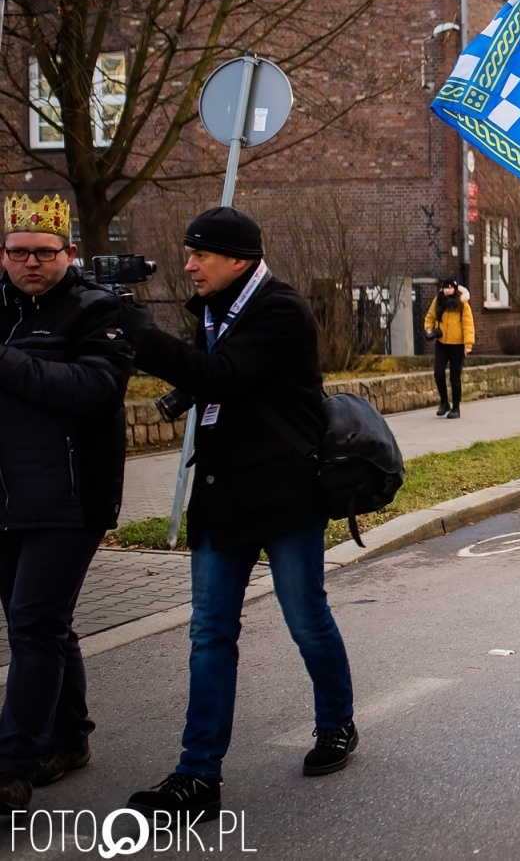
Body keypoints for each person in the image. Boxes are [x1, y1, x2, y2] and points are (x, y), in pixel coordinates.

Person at [122, 206, 357, 821]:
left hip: (283, 496)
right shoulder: (213, 309)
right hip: (223, 495)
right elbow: (212, 381)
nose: (189, 265)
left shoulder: (281, 309)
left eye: (201, 254)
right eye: (188, 252)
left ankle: (336, 723)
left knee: (305, 617)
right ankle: (198, 773)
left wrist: (138, 335)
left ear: (239, 260)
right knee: (209, 633)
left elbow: (221, 374)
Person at [0, 195, 133, 811]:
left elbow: (95, 389)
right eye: (18, 252)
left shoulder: (95, 310)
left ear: (68, 254)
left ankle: (12, 766)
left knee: (32, 624)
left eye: (44, 253)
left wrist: (7, 363)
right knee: (44, 625)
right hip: (7, 499)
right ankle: (71, 737)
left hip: (70, 498)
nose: (31, 263)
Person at [423, 278, 474, 418]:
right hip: (441, 343)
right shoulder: (438, 301)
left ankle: (456, 408)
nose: (447, 290)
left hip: (457, 345)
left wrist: (468, 344)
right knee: (438, 373)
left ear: (455, 289)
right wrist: (429, 330)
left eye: (450, 288)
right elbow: (430, 317)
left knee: (454, 377)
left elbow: (468, 324)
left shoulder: (462, 303)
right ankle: (444, 402)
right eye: (445, 288)